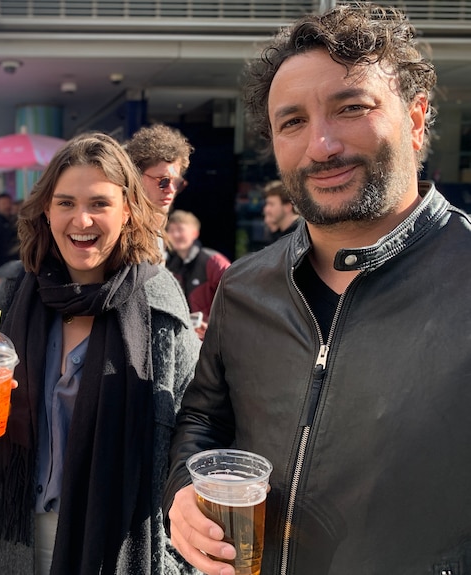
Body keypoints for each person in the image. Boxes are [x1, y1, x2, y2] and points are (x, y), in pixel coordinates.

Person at [165, 4, 471, 575]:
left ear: (416, 117)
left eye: (351, 108)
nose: (322, 145)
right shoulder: (245, 284)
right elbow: (205, 419)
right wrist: (184, 489)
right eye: (292, 122)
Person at [0, 132, 200, 574]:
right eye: (66, 203)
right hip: (4, 536)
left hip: (112, 546)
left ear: (128, 209)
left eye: (99, 203)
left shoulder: (158, 305)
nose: (82, 220)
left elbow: (194, 428)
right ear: (46, 209)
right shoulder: (14, 292)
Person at [164, 210, 230, 339]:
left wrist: (214, 326)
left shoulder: (213, 261)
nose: (175, 235)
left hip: (214, 339)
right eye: (170, 230)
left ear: (195, 233)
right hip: (186, 338)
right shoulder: (169, 266)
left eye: (180, 229)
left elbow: (234, 298)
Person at [125, 124, 194, 244]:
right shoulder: (121, 227)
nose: (171, 189)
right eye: (164, 181)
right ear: (136, 177)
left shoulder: (158, 229)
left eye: (177, 182)